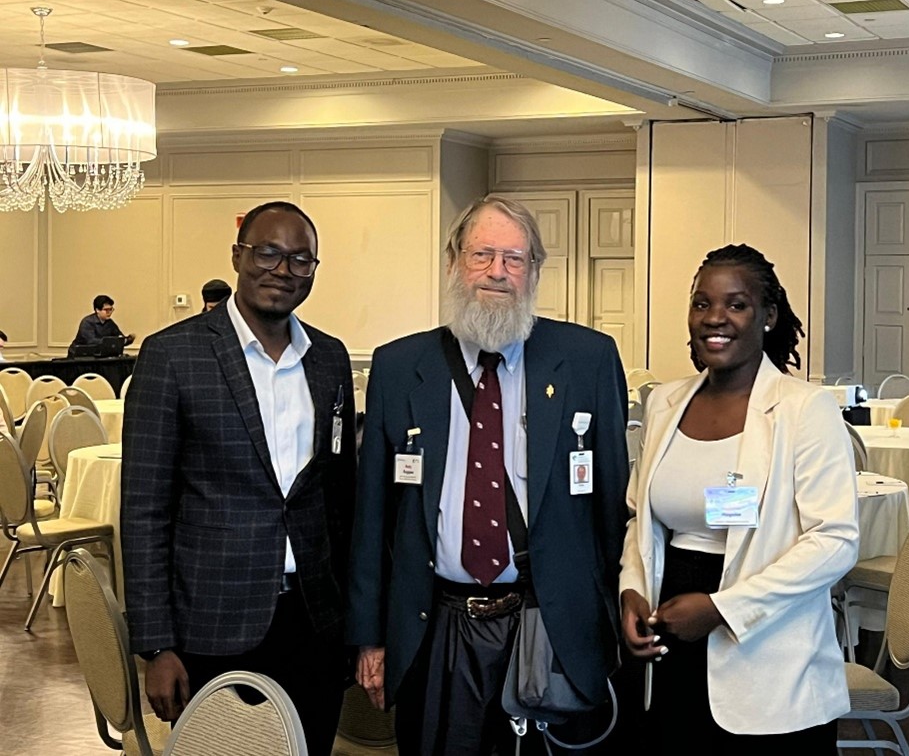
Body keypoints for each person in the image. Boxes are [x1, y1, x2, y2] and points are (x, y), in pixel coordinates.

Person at [347, 196, 629, 755]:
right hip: (434, 629)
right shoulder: (401, 367)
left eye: (514, 259)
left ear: (535, 273)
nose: (497, 272)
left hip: (547, 626)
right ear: (453, 262)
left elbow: (610, 511)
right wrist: (370, 639)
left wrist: (608, 624)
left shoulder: (588, 359)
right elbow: (372, 518)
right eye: (482, 255)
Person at [120, 201, 357, 756]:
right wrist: (156, 647)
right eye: (268, 253)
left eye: (301, 260)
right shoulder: (172, 355)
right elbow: (144, 510)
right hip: (212, 623)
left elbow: (339, 497)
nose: (282, 270)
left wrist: (353, 620)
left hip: (314, 621)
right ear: (237, 256)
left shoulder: (329, 359)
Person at [619, 243, 859, 753]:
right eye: (701, 303)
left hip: (769, 657)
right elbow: (641, 518)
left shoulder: (804, 409)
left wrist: (722, 609)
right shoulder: (665, 402)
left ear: (768, 315)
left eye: (736, 304)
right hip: (669, 641)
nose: (715, 318)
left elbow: (834, 541)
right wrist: (632, 591)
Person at [67, 294, 135, 356]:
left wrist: (127, 339)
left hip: (96, 355)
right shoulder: (87, 322)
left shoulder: (110, 323)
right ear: (97, 310)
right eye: (106, 310)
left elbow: (119, 338)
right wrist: (109, 341)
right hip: (79, 356)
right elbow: (91, 341)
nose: (109, 312)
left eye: (111, 309)